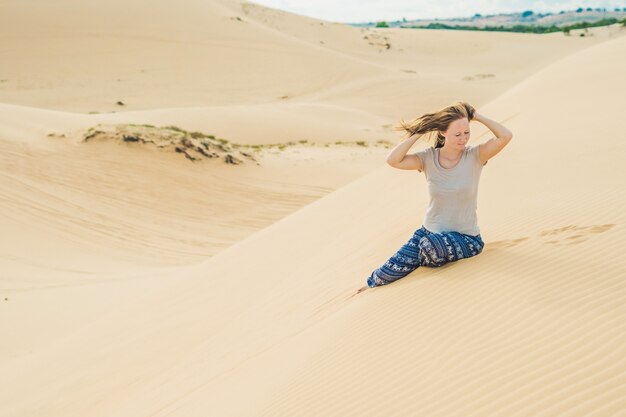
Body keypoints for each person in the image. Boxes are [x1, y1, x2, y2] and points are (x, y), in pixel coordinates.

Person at [361, 101, 513, 291]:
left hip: (466, 239)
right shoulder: (428, 158)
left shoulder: (476, 156)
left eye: (467, 132)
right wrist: (420, 132)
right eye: (457, 134)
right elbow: (393, 160)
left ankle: (425, 257)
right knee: (380, 278)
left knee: (431, 248)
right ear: (442, 132)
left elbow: (506, 136)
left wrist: (478, 117)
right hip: (427, 233)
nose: (463, 139)